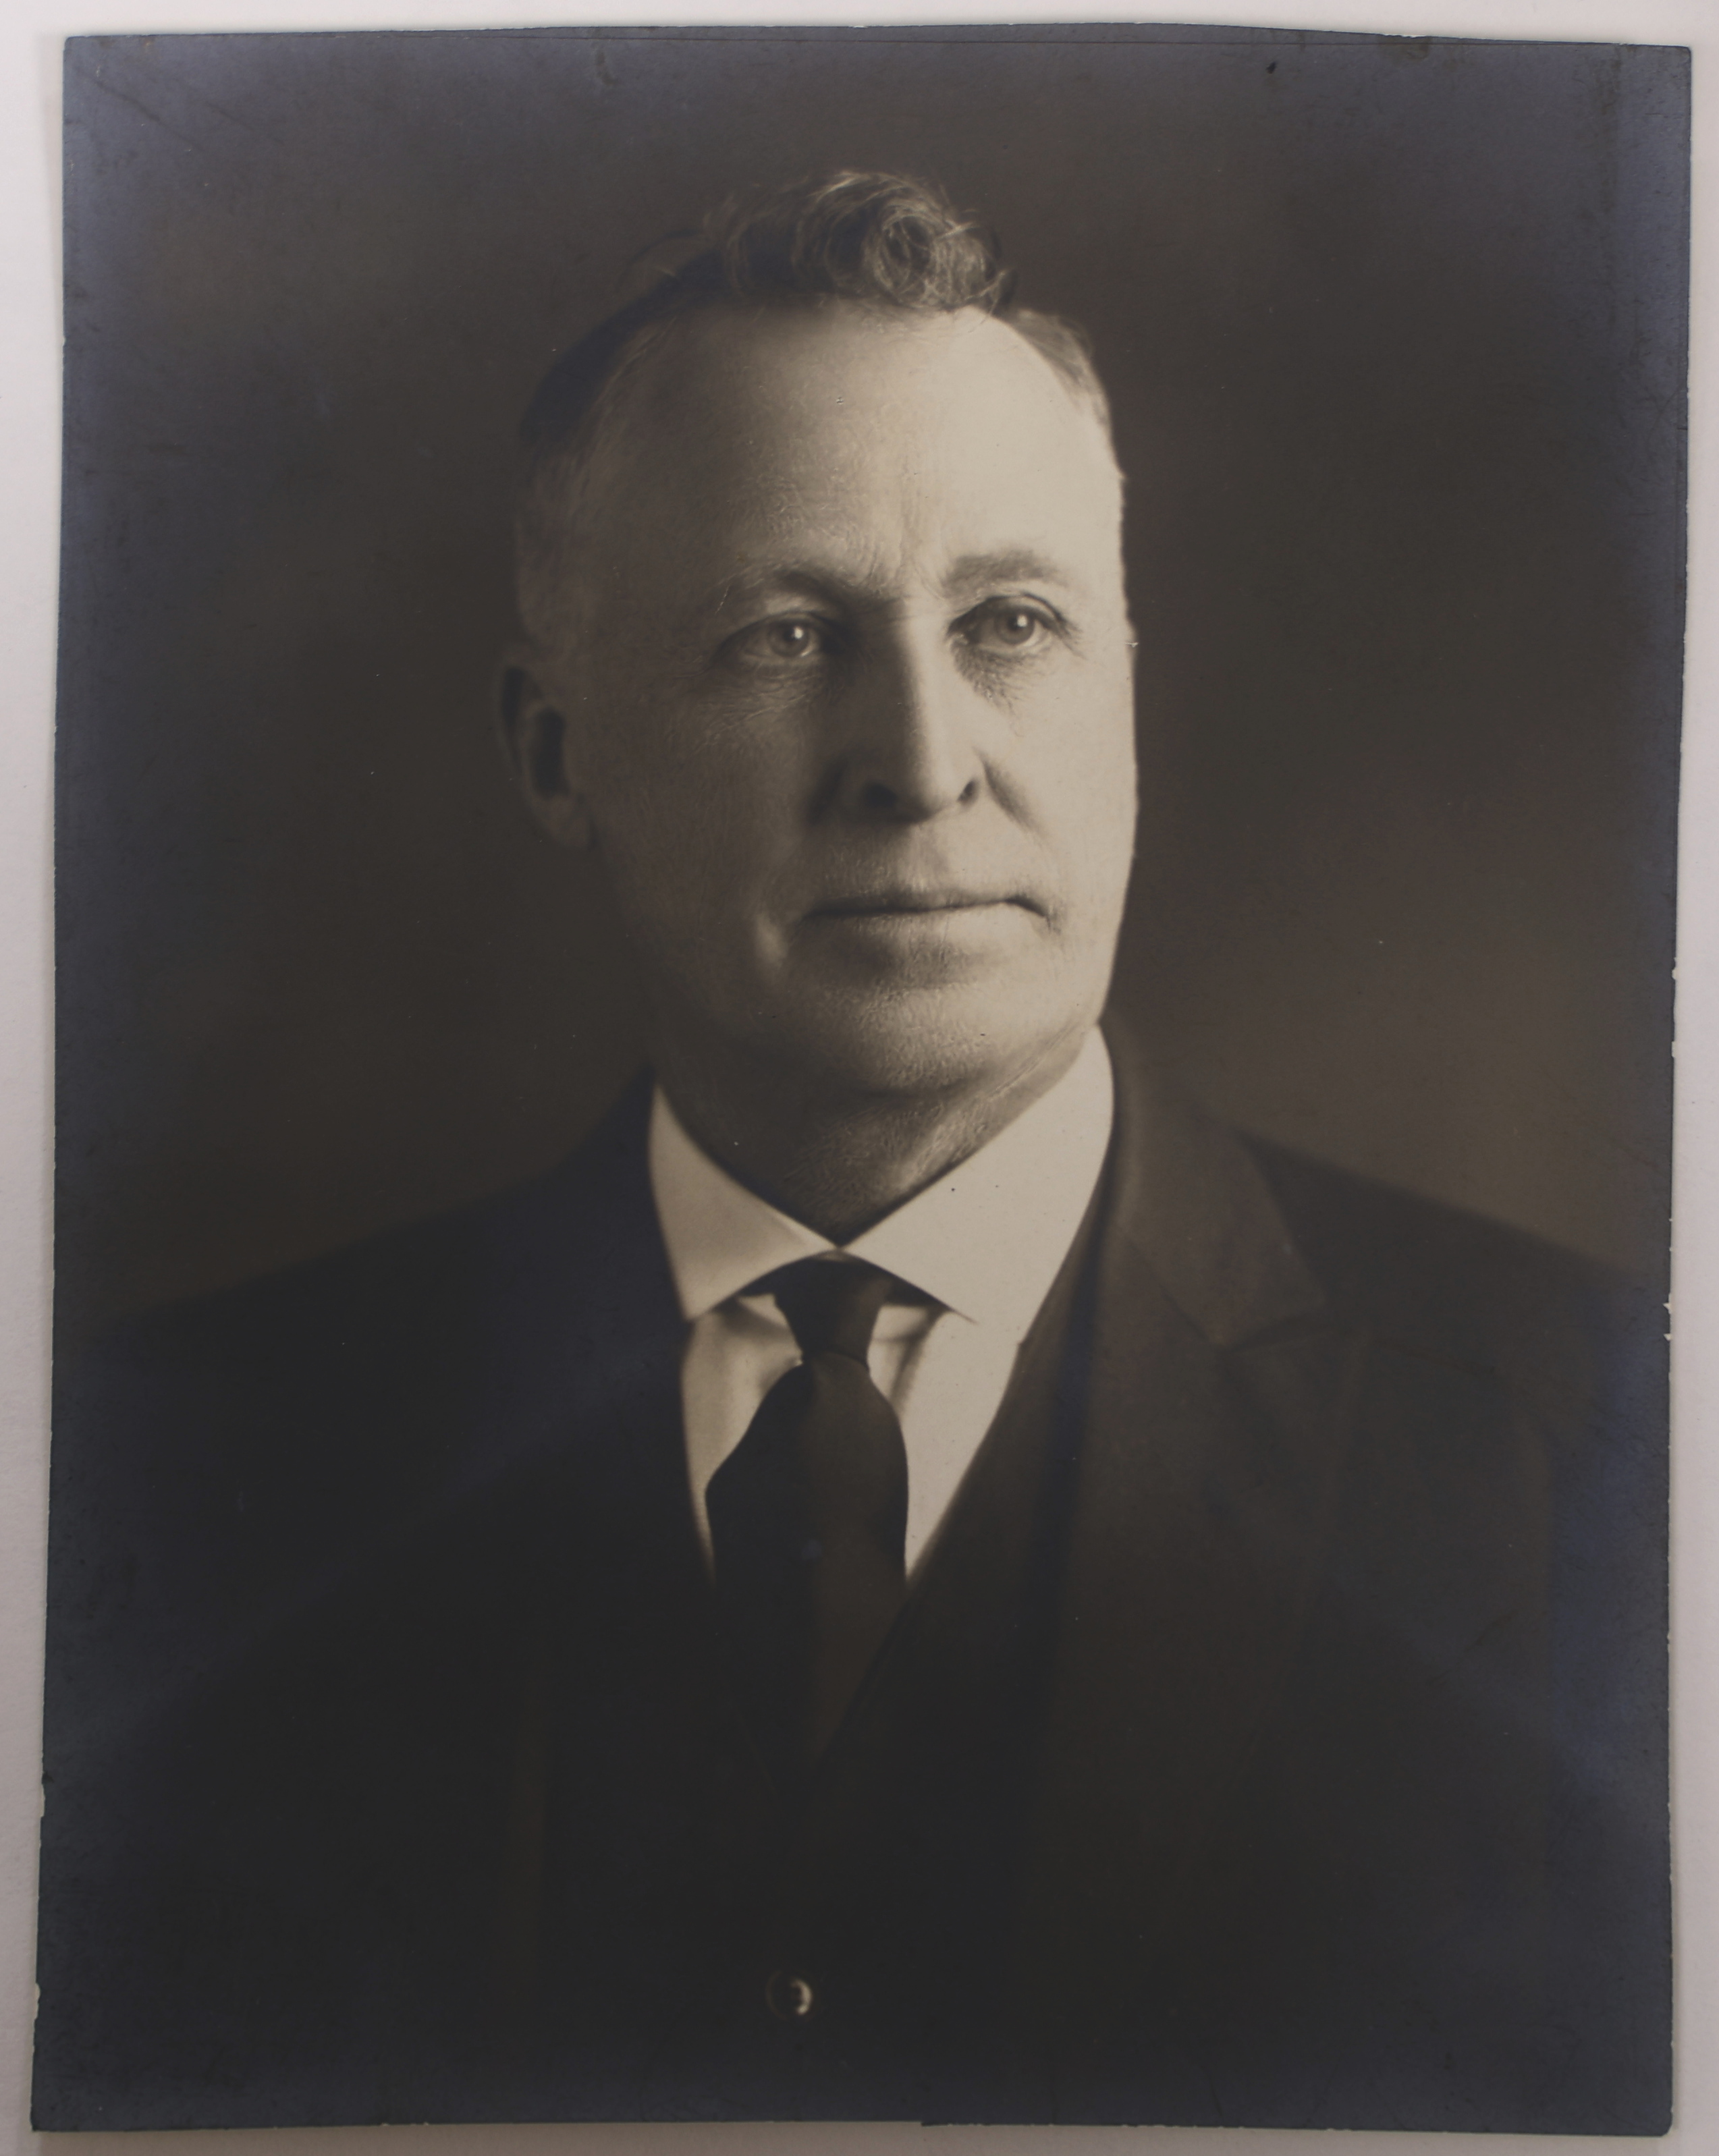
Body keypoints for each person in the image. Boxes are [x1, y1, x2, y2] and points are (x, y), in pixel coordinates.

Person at [33, 172, 1668, 2134]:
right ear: (556, 754)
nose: (921, 753)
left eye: (1012, 622)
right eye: (782, 635)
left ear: (1127, 691)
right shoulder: (158, 1478)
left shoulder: (1610, 1460)